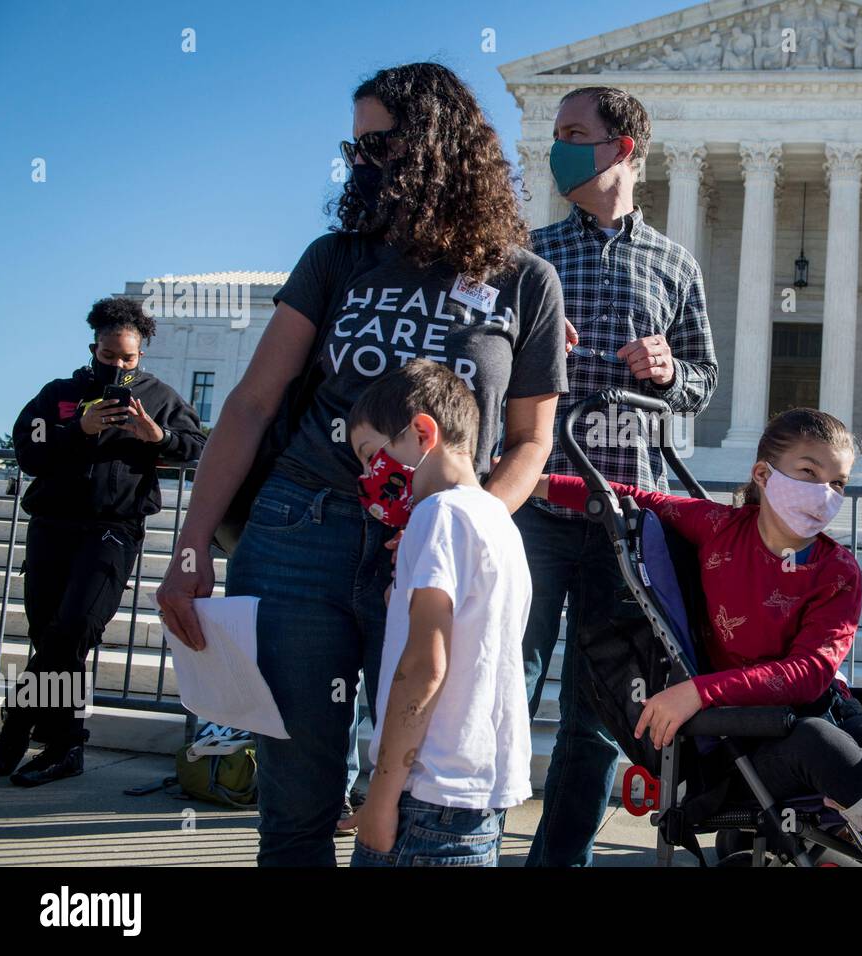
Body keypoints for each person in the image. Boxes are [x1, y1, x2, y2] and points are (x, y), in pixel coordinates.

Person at [156, 62, 566, 866]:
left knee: (410, 794)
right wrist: (191, 543)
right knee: (297, 801)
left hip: (423, 550)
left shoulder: (525, 282)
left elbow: (529, 442)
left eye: (382, 143)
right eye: (356, 148)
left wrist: (459, 518)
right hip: (299, 529)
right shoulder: (337, 258)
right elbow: (250, 405)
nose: (363, 162)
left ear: (439, 143)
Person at [531, 408, 862, 866]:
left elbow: (811, 675)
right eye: (809, 473)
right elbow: (629, 498)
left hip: (819, 711)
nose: (825, 494)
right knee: (821, 743)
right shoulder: (719, 528)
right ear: (763, 473)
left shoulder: (836, 570)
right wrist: (530, 482)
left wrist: (698, 691)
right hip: (740, 745)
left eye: (838, 483)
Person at [520, 85, 718, 866]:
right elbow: (487, 364)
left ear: (623, 149)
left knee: (596, 715)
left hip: (624, 517)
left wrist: (671, 371)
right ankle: (460, 838)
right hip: (533, 501)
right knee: (504, 679)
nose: (557, 147)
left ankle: (556, 861)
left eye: (574, 134)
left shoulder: (675, 264)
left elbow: (703, 378)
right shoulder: (529, 254)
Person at [0, 297, 205, 784]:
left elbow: (198, 448)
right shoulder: (59, 393)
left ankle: (21, 718)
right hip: (52, 527)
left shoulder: (160, 396)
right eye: (108, 356)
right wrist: (78, 429)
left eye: (127, 358)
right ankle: (64, 748)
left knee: (74, 628)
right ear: (94, 348)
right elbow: (28, 451)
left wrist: (158, 438)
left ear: (141, 355)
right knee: (50, 636)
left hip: (114, 528)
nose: (117, 366)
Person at [339, 360, 532, 866]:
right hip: (476, 799)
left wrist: (380, 797)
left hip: (423, 798)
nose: (367, 476)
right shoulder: (498, 520)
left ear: (423, 431)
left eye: (370, 455)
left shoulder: (436, 515)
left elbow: (425, 667)